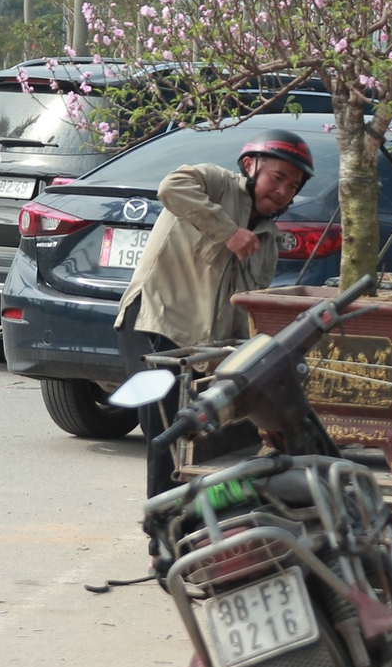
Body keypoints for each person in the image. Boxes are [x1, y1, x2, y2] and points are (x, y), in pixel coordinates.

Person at [115, 130, 315, 499]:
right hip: (156, 327)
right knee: (169, 440)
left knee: (210, 446)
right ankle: (165, 542)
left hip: (206, 355)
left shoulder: (268, 240)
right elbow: (170, 188)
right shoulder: (215, 182)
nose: (283, 191)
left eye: (293, 185)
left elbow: (247, 309)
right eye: (278, 177)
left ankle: (205, 535)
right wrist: (228, 231)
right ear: (250, 166)